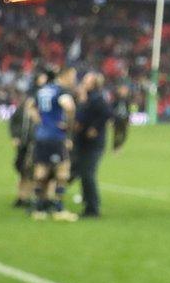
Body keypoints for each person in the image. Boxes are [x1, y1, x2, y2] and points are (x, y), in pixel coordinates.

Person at [29, 65, 78, 222]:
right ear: (65, 75)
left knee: (41, 171)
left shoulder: (43, 89)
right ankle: (58, 209)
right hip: (55, 136)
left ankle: (38, 208)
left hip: (41, 135)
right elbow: (69, 107)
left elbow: (30, 106)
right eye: (73, 76)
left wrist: (40, 122)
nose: (74, 80)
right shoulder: (61, 91)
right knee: (63, 171)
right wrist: (68, 126)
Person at [70, 72, 111, 219]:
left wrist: (95, 128)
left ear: (94, 84)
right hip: (82, 142)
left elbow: (107, 114)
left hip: (93, 144)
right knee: (79, 172)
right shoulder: (85, 98)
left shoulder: (97, 98)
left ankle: (93, 208)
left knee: (87, 174)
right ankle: (87, 204)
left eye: (87, 81)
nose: (84, 82)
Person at [10, 70, 44, 210]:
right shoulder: (25, 102)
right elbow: (15, 121)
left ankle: (27, 196)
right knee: (21, 168)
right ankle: (22, 196)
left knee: (30, 169)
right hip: (24, 142)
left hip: (35, 142)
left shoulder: (44, 103)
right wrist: (15, 136)